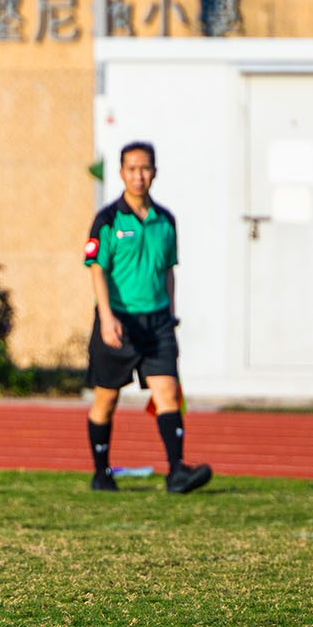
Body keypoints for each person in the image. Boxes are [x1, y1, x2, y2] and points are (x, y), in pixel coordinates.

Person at [83, 140, 212, 494]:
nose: (138, 175)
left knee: (167, 392)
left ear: (154, 172)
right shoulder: (108, 220)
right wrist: (107, 318)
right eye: (132, 169)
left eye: (145, 168)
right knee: (106, 400)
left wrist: (170, 314)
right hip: (119, 322)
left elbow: (169, 270)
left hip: (157, 323)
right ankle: (101, 472)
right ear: (122, 173)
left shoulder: (165, 221)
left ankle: (177, 473)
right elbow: (96, 269)